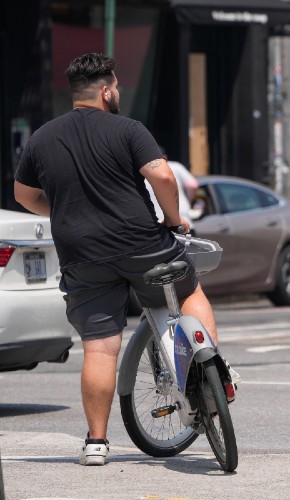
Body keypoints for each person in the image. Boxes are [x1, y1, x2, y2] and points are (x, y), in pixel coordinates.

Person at [13, 53, 236, 466]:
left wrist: (64, 212)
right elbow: (163, 176)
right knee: (189, 291)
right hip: (142, 246)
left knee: (99, 350)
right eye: (115, 86)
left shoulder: (42, 138)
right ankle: (211, 378)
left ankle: (96, 443)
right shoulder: (128, 129)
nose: (117, 92)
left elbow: (23, 196)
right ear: (105, 90)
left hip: (83, 257)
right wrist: (174, 219)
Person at [144, 146, 201, 223]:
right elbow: (193, 185)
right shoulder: (176, 166)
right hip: (182, 219)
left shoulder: (142, 171)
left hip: (156, 221)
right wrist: (189, 201)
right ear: (165, 157)